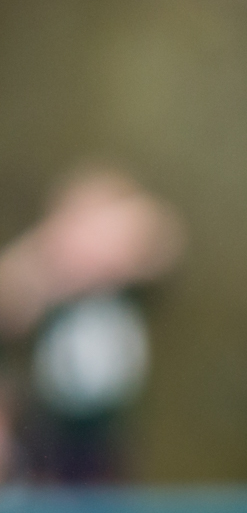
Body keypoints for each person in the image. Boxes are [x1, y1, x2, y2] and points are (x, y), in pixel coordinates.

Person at [0, 167, 185, 484]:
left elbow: (163, 240)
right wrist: (54, 257)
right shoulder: (46, 284)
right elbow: (12, 295)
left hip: (108, 440)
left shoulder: (130, 288)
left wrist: (105, 243)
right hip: (47, 435)